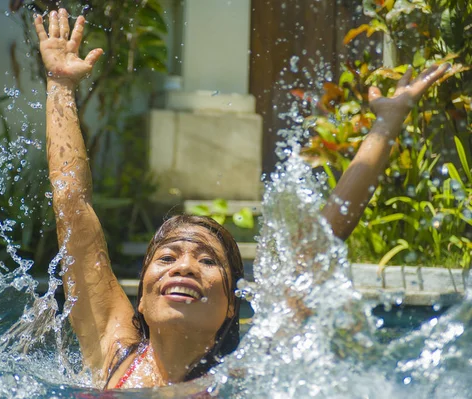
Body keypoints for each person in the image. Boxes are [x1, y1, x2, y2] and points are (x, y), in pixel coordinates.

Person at [33, 8, 449, 389]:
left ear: (232, 306)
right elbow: (72, 206)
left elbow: (324, 239)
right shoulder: (113, 350)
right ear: (140, 296)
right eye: (166, 257)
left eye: (207, 260)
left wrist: (387, 124)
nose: (185, 267)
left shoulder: (247, 375)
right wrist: (60, 85)